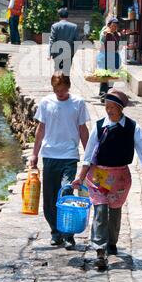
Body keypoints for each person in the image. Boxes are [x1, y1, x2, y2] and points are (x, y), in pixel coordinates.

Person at [72, 88, 142, 269]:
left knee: (115, 212)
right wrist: (80, 177)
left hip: (119, 178)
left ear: (120, 108)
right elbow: (89, 153)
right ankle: (100, 250)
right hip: (99, 176)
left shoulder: (132, 127)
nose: (109, 111)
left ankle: (111, 242)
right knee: (100, 210)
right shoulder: (100, 126)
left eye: (112, 107)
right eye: (106, 107)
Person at [29, 72, 90, 249]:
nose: (60, 93)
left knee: (66, 193)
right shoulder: (46, 103)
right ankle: (55, 232)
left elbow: (83, 130)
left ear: (68, 87)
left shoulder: (77, 103)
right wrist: (34, 153)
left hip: (69, 156)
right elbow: (41, 129)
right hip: (49, 156)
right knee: (49, 198)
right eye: (57, 90)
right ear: (53, 88)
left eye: (63, 89)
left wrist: (88, 156)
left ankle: (68, 234)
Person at [97, 17, 122, 101]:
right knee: (104, 75)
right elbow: (101, 42)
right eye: (113, 25)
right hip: (104, 56)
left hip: (113, 56)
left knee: (111, 75)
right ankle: (103, 94)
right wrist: (105, 34)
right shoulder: (104, 32)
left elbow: (118, 46)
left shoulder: (117, 34)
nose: (114, 27)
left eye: (116, 26)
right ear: (109, 25)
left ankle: (109, 93)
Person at [48, 8, 79, 75]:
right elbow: (76, 41)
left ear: (59, 16)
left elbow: (52, 40)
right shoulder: (74, 27)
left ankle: (58, 84)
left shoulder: (55, 26)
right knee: (66, 71)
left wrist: (50, 53)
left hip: (57, 52)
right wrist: (73, 52)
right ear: (67, 16)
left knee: (57, 70)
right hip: (69, 52)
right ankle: (65, 84)